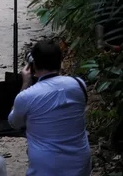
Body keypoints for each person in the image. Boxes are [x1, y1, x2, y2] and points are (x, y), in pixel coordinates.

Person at [8, 40, 91, 176]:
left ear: (33, 65)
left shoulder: (27, 96)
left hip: (46, 166)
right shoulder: (79, 84)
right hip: (80, 163)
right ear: (60, 62)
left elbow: (14, 123)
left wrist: (25, 84)